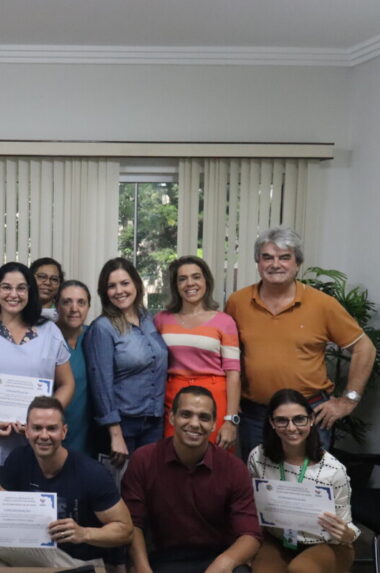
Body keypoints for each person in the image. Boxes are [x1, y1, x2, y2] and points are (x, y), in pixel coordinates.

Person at [224, 226, 376, 455]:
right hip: (254, 416)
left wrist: (349, 400)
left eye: (284, 257)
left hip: (307, 414)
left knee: (309, 485)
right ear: (258, 262)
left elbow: (364, 347)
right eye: (267, 257)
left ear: (297, 263)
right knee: (258, 484)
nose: (275, 264)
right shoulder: (238, 302)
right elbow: (227, 356)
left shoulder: (322, 304)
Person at [0, 396, 133, 570]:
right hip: (38, 552)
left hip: (82, 563)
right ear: (26, 431)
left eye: (51, 428)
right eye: (37, 428)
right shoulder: (18, 459)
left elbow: (126, 530)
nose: (44, 436)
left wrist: (84, 533)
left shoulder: (92, 473)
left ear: (64, 432)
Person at [0, 262, 74, 490]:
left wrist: (43, 420)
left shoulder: (50, 332)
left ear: (30, 292)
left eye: (21, 288)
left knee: (32, 514)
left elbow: (67, 383)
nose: (14, 294)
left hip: (38, 442)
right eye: (7, 287)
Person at [121, 386, 261, 573]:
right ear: (172, 418)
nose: (195, 424)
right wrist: (142, 568)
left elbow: (250, 534)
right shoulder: (144, 459)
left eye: (204, 417)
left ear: (213, 424)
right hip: (164, 559)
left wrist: (225, 562)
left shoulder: (234, 468)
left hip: (215, 558)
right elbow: (132, 524)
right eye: (186, 414)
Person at [247, 389, 359, 573]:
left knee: (301, 570)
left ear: (311, 420)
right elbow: (254, 507)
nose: (291, 428)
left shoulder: (332, 469)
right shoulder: (258, 457)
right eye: (282, 420)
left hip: (326, 544)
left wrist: (346, 533)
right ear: (272, 423)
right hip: (278, 539)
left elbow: (348, 529)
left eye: (299, 419)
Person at [84, 257, 168, 468]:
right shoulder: (102, 328)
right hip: (123, 426)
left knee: (148, 488)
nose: (119, 290)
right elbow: (101, 385)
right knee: (121, 490)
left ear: (136, 285)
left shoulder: (148, 319)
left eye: (124, 283)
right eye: (111, 286)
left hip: (154, 421)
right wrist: (115, 434)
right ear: (104, 292)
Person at [154, 256, 240, 449]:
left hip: (215, 399)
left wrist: (231, 419)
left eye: (196, 277)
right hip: (175, 398)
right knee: (173, 458)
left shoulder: (224, 321)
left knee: (216, 463)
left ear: (206, 282)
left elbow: (233, 373)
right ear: (175, 285)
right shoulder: (161, 320)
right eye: (182, 279)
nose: (189, 283)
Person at [55, 280, 94, 454]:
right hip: (54, 429)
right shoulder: (46, 337)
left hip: (89, 431)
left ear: (88, 307)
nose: (74, 309)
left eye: (81, 302)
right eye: (67, 302)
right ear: (57, 306)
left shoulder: (94, 336)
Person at [31, 257, 64, 322]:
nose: (48, 283)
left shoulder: (64, 315)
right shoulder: (18, 312)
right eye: (42, 277)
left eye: (54, 279)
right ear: (30, 279)